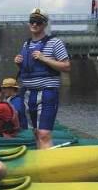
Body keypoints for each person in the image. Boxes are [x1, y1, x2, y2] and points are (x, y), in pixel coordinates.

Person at [14, 9, 71, 149]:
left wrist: (43, 58)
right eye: (32, 21)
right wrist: (18, 63)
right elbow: (28, 70)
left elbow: (67, 66)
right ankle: (41, 160)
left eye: (38, 22)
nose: (34, 24)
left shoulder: (55, 43)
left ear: (44, 24)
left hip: (47, 93)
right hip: (28, 94)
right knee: (35, 133)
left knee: (44, 134)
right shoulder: (26, 44)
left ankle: (52, 167)